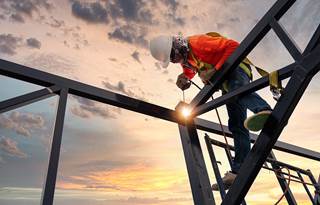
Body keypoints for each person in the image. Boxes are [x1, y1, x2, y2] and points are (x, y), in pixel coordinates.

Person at [149, 33, 272, 190]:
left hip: (237, 70)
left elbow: (234, 46)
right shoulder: (187, 58)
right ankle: (238, 172)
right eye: (171, 60)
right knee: (236, 125)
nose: (175, 61)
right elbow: (192, 69)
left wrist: (216, 69)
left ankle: (263, 110)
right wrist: (185, 76)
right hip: (227, 82)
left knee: (238, 91)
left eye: (173, 56)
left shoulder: (198, 43)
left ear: (177, 46)